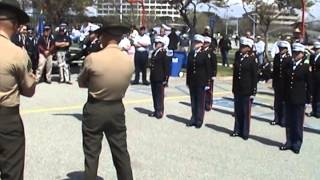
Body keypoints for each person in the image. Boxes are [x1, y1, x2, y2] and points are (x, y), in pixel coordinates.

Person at [78, 24, 134, 180]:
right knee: (121, 152)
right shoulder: (128, 60)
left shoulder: (93, 58)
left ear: (105, 37)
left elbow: (82, 83)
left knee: (91, 153)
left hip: (96, 107)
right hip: (117, 107)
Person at [0, 1, 36, 179]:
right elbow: (29, 90)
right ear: (13, 24)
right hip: (6, 118)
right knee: (12, 171)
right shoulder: (17, 53)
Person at [280, 43, 312, 154]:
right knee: (288, 122)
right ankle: (289, 141)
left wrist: (308, 99)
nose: (295, 55)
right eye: (294, 52)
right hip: (289, 98)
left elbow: (309, 84)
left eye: (297, 53)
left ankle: (297, 143)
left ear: (302, 54)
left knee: (297, 123)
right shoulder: (289, 64)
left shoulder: (305, 67)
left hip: (299, 99)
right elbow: (285, 82)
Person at [230, 37, 258, 140]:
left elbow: (254, 76)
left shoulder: (252, 59)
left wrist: (253, 91)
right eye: (241, 46)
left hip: (247, 89)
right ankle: (237, 129)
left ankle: (245, 132)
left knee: (246, 112)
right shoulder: (238, 56)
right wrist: (233, 87)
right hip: (238, 88)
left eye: (243, 46)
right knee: (237, 110)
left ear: (248, 48)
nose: (241, 48)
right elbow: (235, 73)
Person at [186, 34, 211, 128]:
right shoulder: (191, 53)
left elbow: (208, 69)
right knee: (193, 101)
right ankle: (193, 118)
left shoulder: (204, 54)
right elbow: (189, 68)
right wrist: (188, 81)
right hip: (193, 81)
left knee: (200, 101)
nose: (195, 44)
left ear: (201, 44)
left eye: (197, 42)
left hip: (201, 81)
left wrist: (207, 82)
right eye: (194, 42)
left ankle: (199, 120)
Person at [270, 40, 292, 126]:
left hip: (285, 84)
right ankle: (276, 118)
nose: (281, 50)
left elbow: (289, 74)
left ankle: (283, 119)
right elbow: (275, 71)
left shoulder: (289, 59)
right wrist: (273, 82)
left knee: (284, 102)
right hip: (277, 83)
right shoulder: (276, 57)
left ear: (286, 49)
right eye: (280, 48)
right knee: (277, 102)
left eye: (283, 48)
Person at [148, 36, 171, 119]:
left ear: (161, 44)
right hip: (154, 77)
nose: (156, 44)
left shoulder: (164, 53)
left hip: (160, 77)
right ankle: (156, 110)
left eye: (158, 43)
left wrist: (166, 79)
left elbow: (167, 67)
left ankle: (160, 111)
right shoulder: (154, 53)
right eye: (156, 43)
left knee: (160, 96)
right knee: (154, 95)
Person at [203, 36, 217, 111]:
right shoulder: (202, 51)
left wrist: (214, 74)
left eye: (206, 43)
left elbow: (214, 64)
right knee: (203, 90)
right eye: (204, 42)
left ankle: (208, 104)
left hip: (209, 74)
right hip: (203, 74)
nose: (205, 44)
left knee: (209, 90)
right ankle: (203, 103)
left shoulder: (211, 52)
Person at [307, 41, 320, 118]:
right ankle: (313, 110)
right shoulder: (312, 56)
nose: (316, 50)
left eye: (317, 49)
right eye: (315, 49)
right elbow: (311, 65)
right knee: (313, 94)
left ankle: (318, 111)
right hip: (313, 77)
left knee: (319, 95)